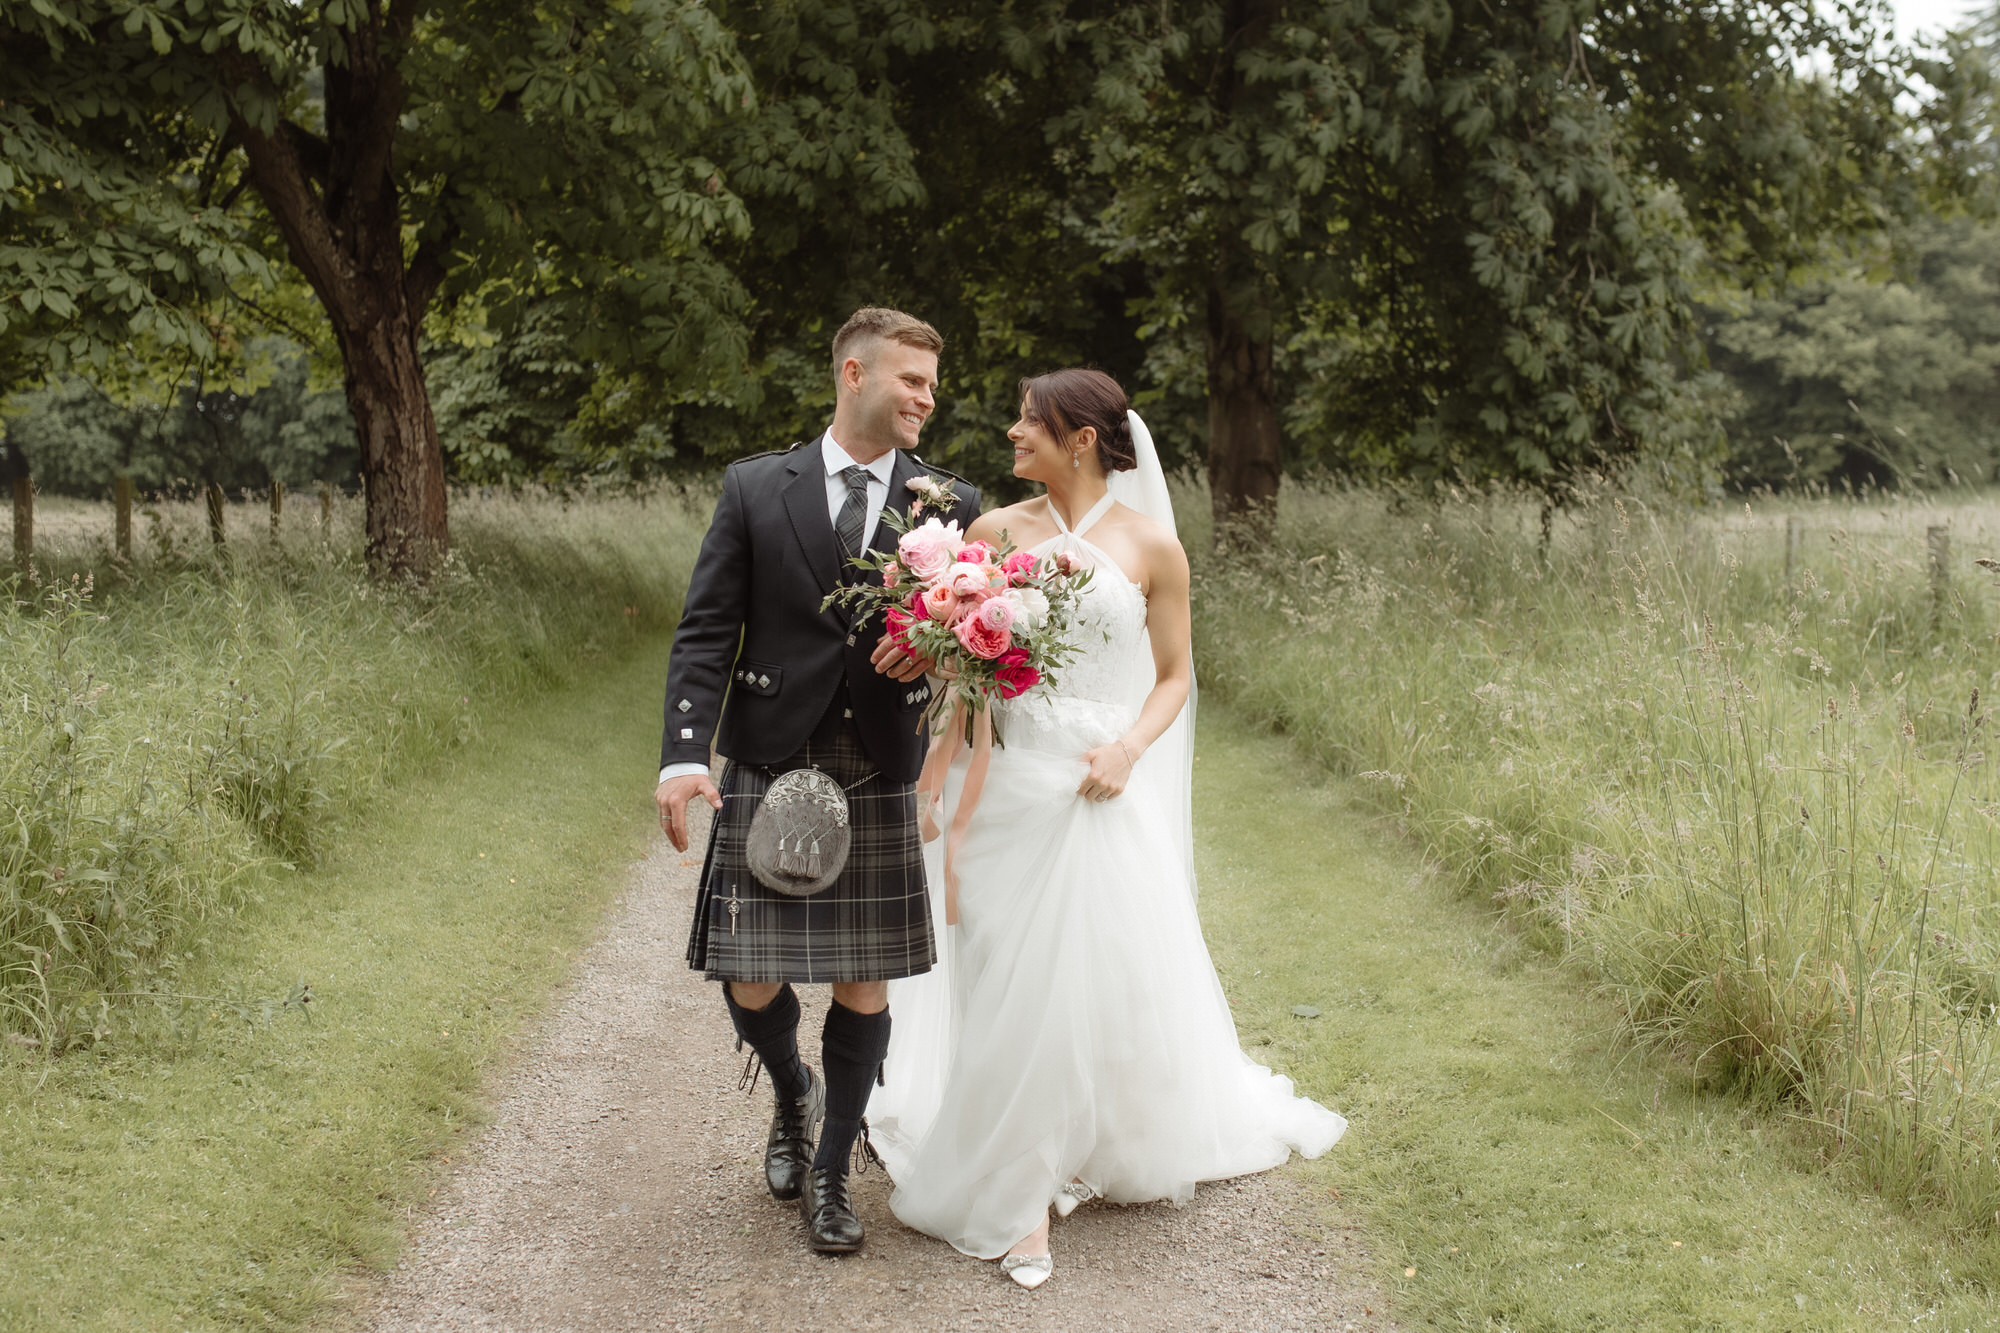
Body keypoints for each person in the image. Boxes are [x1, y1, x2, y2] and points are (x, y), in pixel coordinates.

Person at [870, 369, 1345, 1289]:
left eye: (1029, 421)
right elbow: (964, 679)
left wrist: (1128, 748)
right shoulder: (992, 536)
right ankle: (1020, 1174)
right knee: (1008, 972)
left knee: (1094, 974)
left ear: (1081, 437)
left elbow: (1174, 674)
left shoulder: (1153, 547)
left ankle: (1044, 1176)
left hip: (1097, 781)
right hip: (1005, 784)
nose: (1013, 432)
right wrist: (935, 773)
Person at [655, 307, 981, 1253]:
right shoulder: (758, 487)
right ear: (853, 373)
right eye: (912, 380)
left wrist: (937, 660)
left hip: (877, 758)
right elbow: (707, 628)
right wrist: (684, 754)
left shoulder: (946, 503)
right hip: (772, 749)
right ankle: (794, 1090)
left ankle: (833, 1169)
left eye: (932, 382)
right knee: (749, 973)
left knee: (863, 977)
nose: (928, 397)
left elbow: (968, 645)